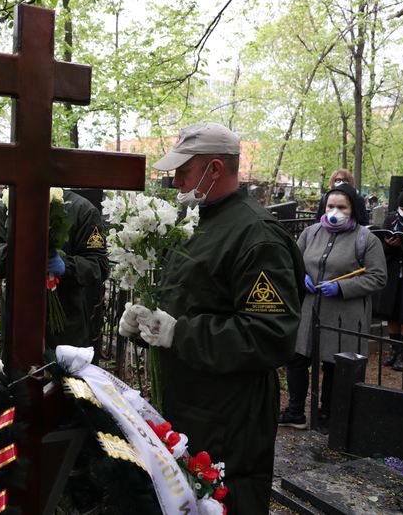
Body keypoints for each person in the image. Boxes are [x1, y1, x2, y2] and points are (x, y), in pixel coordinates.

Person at [118, 122, 305, 513]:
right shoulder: (195, 221)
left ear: (215, 168)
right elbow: (185, 301)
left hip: (230, 416)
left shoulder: (257, 235)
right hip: (187, 397)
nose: (176, 180)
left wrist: (179, 333)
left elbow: (270, 335)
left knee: (226, 502)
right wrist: (144, 326)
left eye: (184, 170)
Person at [279, 183, 386, 431]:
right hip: (309, 310)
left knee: (333, 364)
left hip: (342, 315)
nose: (334, 211)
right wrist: (300, 276)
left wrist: (343, 288)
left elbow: (378, 277)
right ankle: (295, 412)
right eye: (330, 206)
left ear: (353, 209)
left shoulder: (365, 240)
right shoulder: (311, 232)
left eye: (341, 207)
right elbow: (293, 263)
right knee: (297, 358)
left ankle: (326, 414)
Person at [0, 188, 109, 349]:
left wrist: (66, 265)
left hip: (66, 322)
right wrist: (18, 249)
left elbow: (99, 265)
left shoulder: (83, 209)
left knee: (65, 372)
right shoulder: (8, 204)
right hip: (19, 320)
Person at [374, 188, 403, 371]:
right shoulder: (391, 219)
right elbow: (381, 247)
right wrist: (388, 245)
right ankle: (394, 350)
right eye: (402, 208)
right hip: (392, 272)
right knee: (391, 311)